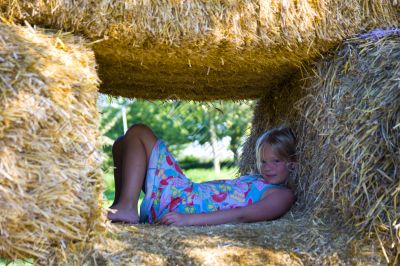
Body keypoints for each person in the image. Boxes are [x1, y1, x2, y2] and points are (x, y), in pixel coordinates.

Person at [107, 123, 296, 226]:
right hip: (182, 197)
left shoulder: (281, 194)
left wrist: (188, 220)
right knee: (121, 143)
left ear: (292, 164)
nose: (268, 167)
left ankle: (128, 208)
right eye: (263, 161)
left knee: (139, 131)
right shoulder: (256, 179)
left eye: (276, 161)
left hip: (184, 203)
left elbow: (243, 215)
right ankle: (121, 205)